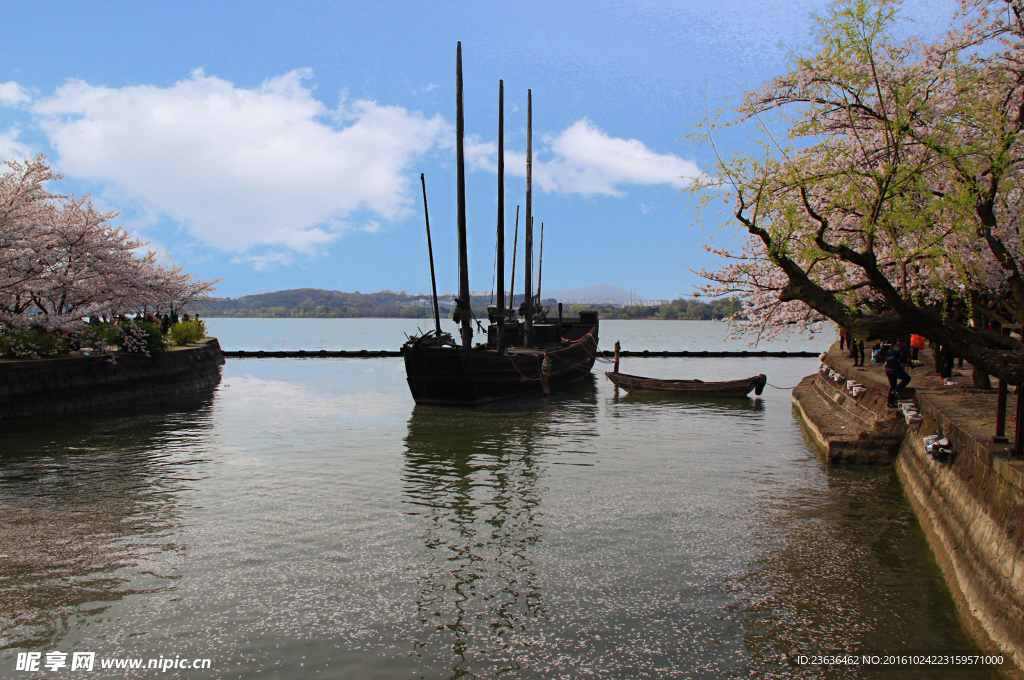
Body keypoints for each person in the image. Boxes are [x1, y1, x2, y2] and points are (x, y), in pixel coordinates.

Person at [884, 337, 912, 407]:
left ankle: (890, 403)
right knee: (907, 378)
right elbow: (903, 358)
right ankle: (897, 390)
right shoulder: (901, 347)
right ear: (904, 342)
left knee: (892, 385)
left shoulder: (892, 347)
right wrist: (907, 360)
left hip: (888, 368)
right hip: (895, 369)